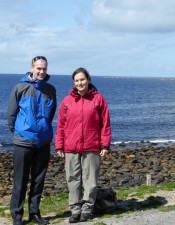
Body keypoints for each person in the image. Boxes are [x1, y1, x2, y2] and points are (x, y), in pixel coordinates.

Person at [55, 67, 111, 223]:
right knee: (73, 180)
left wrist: (105, 145)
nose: (80, 82)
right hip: (70, 147)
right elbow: (60, 125)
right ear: (74, 83)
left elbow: (105, 124)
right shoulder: (67, 101)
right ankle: (75, 209)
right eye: (77, 80)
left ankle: (87, 209)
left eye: (82, 79)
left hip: (92, 146)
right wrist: (59, 146)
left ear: (88, 80)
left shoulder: (98, 99)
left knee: (90, 180)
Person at [7, 56, 57, 225]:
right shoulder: (20, 88)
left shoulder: (50, 90)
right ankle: (17, 216)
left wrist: (43, 130)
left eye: (44, 68)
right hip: (23, 142)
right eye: (38, 68)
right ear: (32, 68)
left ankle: (34, 213)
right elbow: (11, 116)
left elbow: (51, 115)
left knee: (38, 180)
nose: (41, 71)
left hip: (43, 142)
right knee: (20, 181)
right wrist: (21, 132)